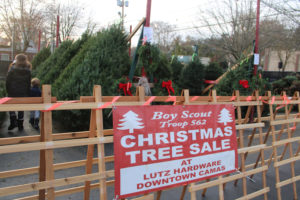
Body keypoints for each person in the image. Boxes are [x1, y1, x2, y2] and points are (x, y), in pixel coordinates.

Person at [6, 54, 32, 131]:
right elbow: (28, 83)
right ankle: (20, 125)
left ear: (16, 60)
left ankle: (13, 120)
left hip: (12, 91)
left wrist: (8, 91)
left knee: (10, 106)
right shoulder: (28, 70)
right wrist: (27, 92)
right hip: (23, 92)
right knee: (21, 108)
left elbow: (8, 81)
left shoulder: (12, 69)